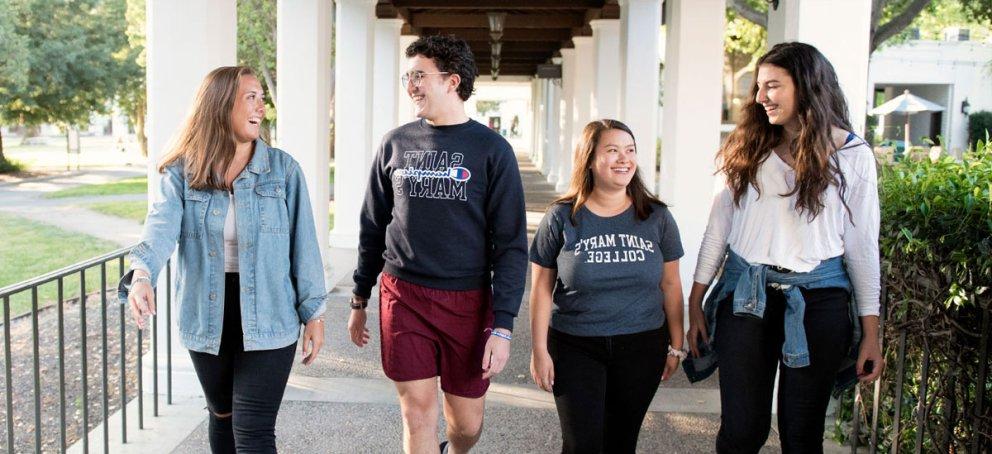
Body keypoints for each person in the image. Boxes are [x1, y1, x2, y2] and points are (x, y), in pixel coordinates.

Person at [684, 42, 885, 453]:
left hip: (821, 302)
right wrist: (696, 300)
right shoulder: (749, 149)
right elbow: (718, 229)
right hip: (746, 298)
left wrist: (871, 332)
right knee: (742, 432)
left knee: (802, 435)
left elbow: (863, 248)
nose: (760, 98)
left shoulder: (853, 156)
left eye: (772, 86)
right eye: (758, 87)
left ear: (807, 86)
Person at [118, 66, 327, 453]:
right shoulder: (183, 172)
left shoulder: (283, 170)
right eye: (251, 96)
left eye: (262, 98)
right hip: (206, 316)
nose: (261, 106)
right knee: (223, 416)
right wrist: (143, 274)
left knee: (252, 430)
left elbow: (305, 246)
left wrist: (313, 313)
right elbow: (159, 228)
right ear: (220, 104)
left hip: (270, 315)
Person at [347, 35, 528, 454]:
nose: (410, 84)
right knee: (416, 415)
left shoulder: (492, 151)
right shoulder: (396, 143)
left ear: (452, 80)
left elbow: (512, 245)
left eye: (419, 75)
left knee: (466, 424)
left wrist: (503, 325)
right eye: (407, 76)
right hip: (404, 295)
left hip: (468, 300)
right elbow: (372, 224)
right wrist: (359, 297)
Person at [529, 119, 686, 454]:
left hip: (641, 345)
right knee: (581, 444)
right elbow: (542, 288)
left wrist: (677, 343)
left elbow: (671, 283)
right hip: (575, 345)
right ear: (589, 159)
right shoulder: (562, 217)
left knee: (620, 442)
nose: (623, 159)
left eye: (629, 151)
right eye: (612, 150)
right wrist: (539, 349)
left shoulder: (656, 216)